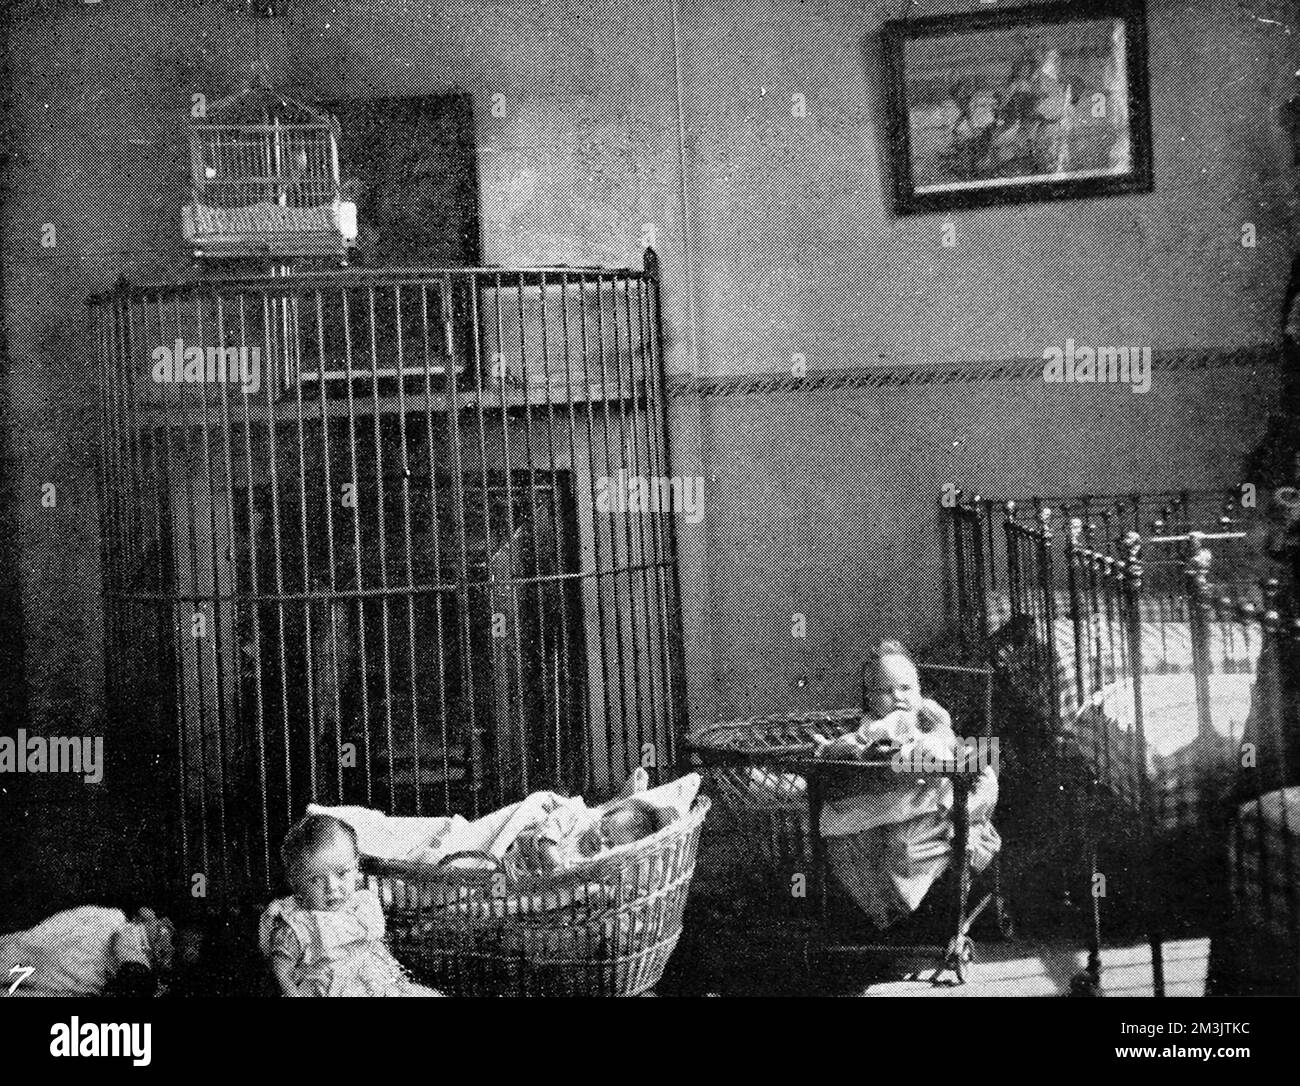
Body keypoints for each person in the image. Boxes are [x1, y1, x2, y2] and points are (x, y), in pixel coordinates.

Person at [259, 814, 440, 996]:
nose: (332, 887)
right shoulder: (299, 922)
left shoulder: (361, 903)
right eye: (315, 880)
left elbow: (375, 945)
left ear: (356, 867)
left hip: (377, 984)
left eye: (342, 873)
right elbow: (281, 969)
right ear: (295, 882)